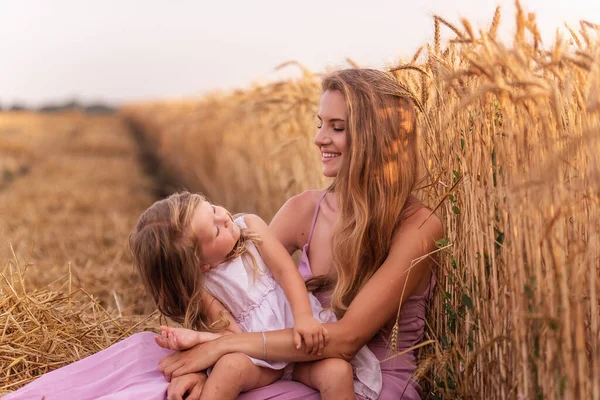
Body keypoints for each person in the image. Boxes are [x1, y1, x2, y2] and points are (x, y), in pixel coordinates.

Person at [158, 68, 443, 400]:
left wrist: (221, 348)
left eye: (337, 127)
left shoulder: (419, 226)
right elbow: (238, 291)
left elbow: (347, 340)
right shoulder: (304, 210)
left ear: (377, 137)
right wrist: (201, 367)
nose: (319, 138)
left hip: (370, 382)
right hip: (293, 369)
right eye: (320, 124)